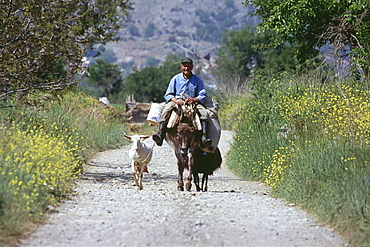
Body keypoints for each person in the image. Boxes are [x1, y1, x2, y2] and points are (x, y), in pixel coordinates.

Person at [152, 57, 212, 147]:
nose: (186, 68)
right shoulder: (175, 79)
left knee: (205, 113)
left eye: (188, 66)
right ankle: (160, 134)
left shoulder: (197, 80)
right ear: (181, 67)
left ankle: (204, 137)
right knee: (166, 110)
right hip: (177, 102)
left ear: (192, 67)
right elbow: (168, 94)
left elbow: (202, 94)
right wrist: (176, 100)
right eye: (184, 66)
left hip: (193, 103)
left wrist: (194, 99)